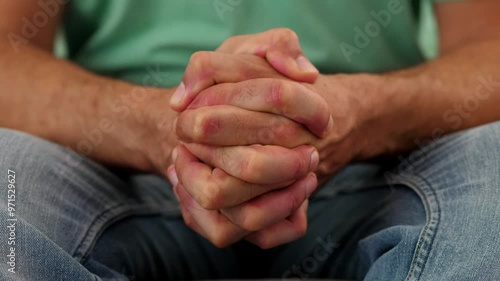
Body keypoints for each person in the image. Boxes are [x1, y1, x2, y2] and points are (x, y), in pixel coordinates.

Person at [1, 0, 499, 280]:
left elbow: (490, 53)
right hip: (112, 167)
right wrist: (168, 129)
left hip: (380, 169)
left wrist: (352, 113)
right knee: (8, 176)